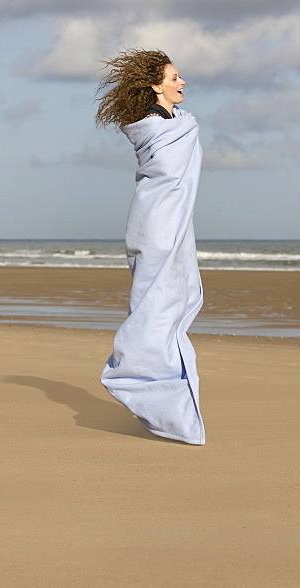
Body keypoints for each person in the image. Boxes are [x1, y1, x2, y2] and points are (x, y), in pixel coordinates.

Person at [95, 49, 205, 445]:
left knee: (170, 309)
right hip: (156, 225)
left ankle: (168, 403)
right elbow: (163, 177)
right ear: (155, 85)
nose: (182, 82)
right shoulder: (155, 126)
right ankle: (137, 382)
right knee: (155, 309)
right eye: (174, 77)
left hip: (174, 224)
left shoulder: (180, 123)